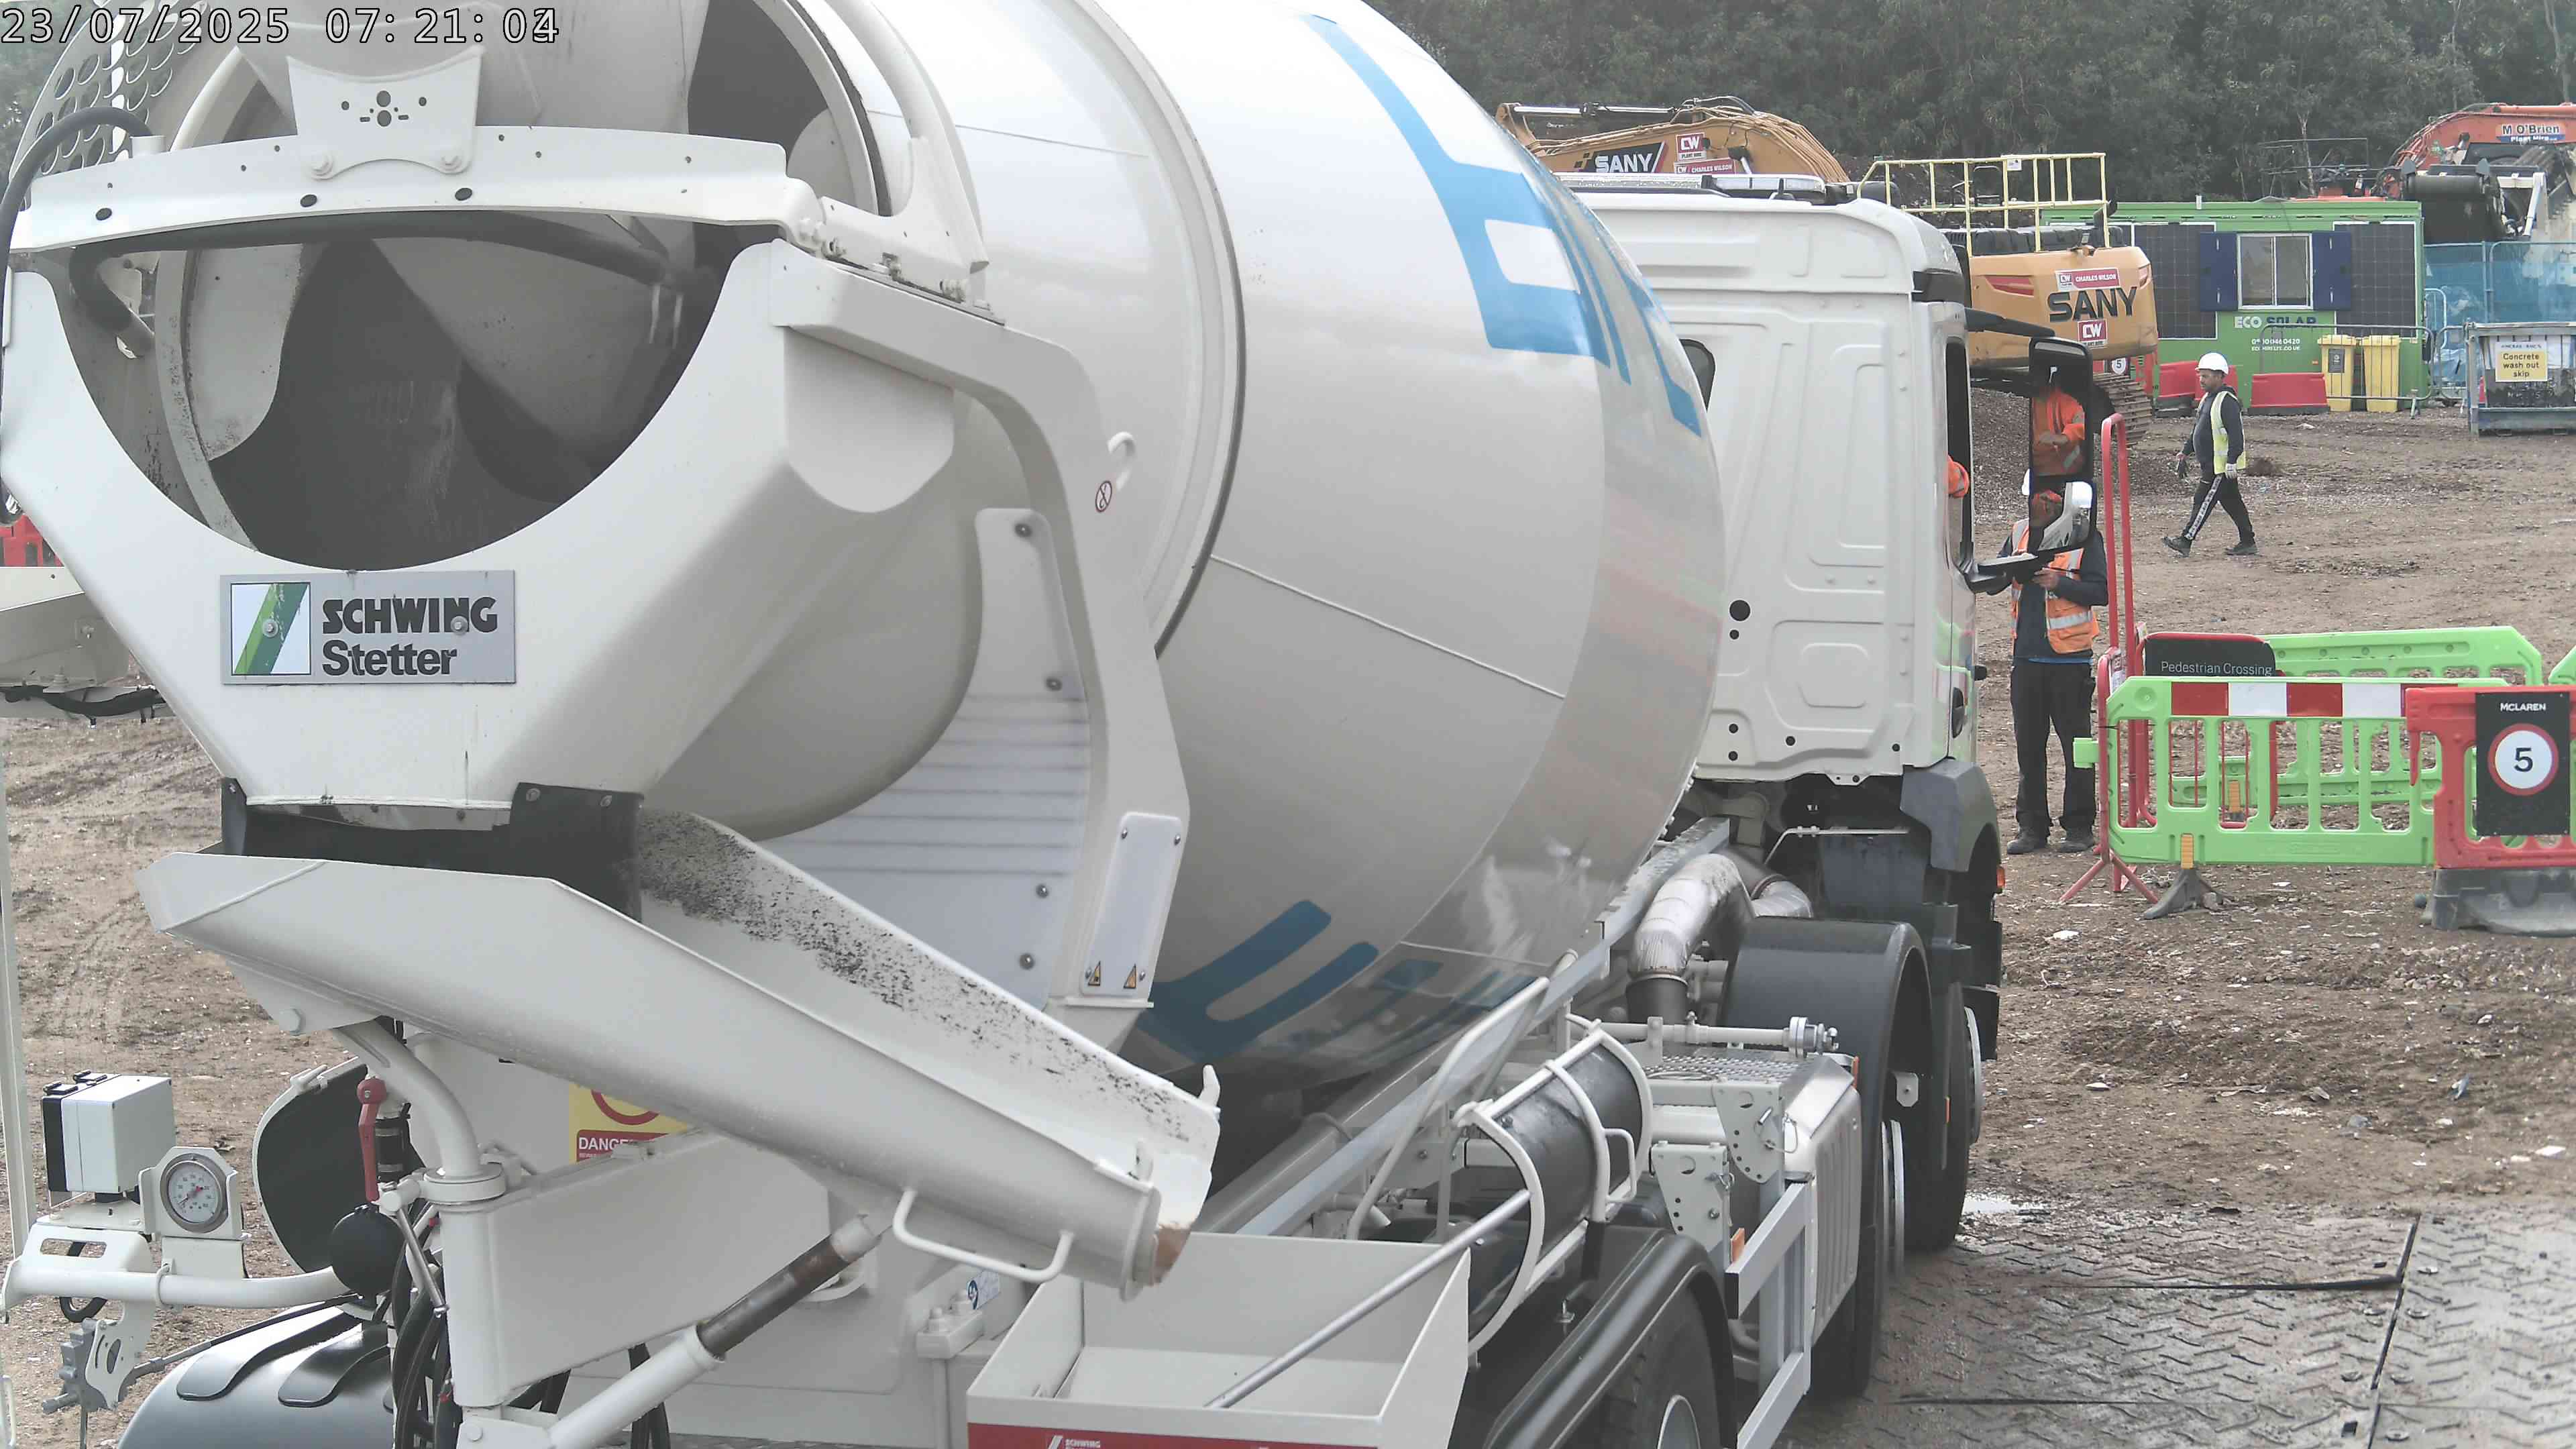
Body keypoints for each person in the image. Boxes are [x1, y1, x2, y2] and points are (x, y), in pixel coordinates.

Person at [1974, 476, 2110, 855]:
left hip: (2069, 661)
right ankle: (2032, 828)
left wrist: (2058, 583)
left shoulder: (2085, 539)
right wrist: (2003, 571)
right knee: (2029, 748)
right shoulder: (2019, 532)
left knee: (2075, 747)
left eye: (2045, 499)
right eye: (2034, 498)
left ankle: (2079, 827)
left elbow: (2101, 591)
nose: (2038, 505)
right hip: (2026, 660)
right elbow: (1994, 582)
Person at [2165, 352, 2255, 558]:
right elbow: (2199, 429)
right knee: (2233, 504)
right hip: (2212, 464)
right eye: (2200, 375)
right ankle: (2248, 542)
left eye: (2206, 376)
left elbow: (2237, 435)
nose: (2201, 380)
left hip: (2219, 467)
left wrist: (2231, 461)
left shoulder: (2227, 401)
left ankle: (2186, 540)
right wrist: (2185, 452)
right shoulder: (2207, 399)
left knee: (2202, 500)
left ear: (2219, 376)